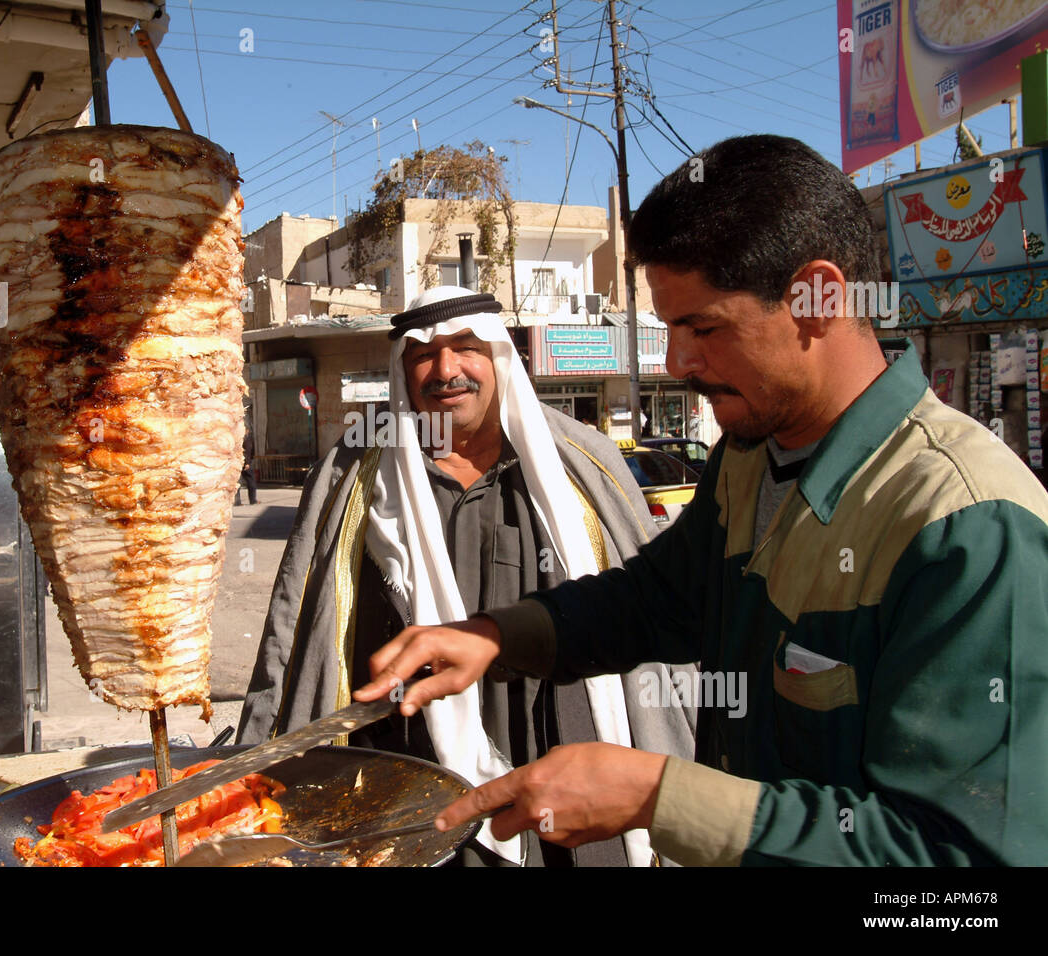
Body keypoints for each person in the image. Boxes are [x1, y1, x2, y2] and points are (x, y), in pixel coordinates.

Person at [355, 135, 1048, 866]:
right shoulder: (749, 456)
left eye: (703, 329)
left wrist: (659, 798)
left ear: (818, 299)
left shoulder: (968, 526)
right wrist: (498, 636)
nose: (678, 363)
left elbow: (964, 864)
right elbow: (660, 600)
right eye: (669, 329)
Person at [238, 286, 696, 867]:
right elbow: (295, 622)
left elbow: (652, 614)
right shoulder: (354, 474)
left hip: (566, 768)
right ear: (403, 371)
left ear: (500, 357)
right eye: (424, 355)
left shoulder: (583, 461)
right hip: (408, 784)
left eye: (465, 348)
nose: (445, 370)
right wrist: (257, 755)